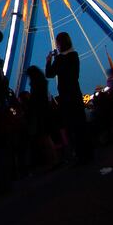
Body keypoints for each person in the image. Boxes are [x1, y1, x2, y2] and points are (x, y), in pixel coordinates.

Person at [44, 32, 92, 164]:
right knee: (81, 125)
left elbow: (49, 74)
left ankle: (79, 155)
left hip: (66, 96)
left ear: (60, 44)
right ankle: (88, 153)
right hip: (76, 92)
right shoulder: (74, 55)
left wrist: (49, 61)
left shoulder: (60, 59)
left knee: (72, 127)